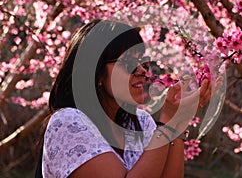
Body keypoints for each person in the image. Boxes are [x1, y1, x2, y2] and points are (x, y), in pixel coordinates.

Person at [38, 19, 213, 178]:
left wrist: (178, 121)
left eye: (143, 62)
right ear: (96, 72)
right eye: (129, 63)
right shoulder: (67, 123)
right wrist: (166, 125)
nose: (143, 71)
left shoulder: (141, 123)